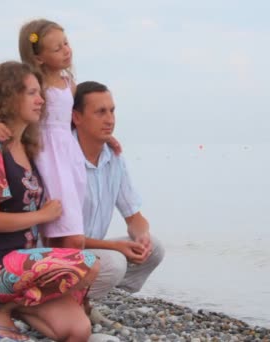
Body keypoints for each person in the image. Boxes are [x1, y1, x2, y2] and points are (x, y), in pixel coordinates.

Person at [0, 61, 100, 342]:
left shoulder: (27, 145)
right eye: (32, 93)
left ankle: (13, 308)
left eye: (41, 93)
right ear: (10, 97)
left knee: (79, 331)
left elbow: (65, 135)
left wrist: (109, 142)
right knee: (89, 263)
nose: (40, 100)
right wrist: (42, 215)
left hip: (21, 269)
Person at [0, 19, 120, 249]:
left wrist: (105, 136)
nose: (66, 50)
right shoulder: (35, 84)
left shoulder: (69, 84)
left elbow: (75, 120)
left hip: (69, 154)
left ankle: (55, 270)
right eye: (57, 48)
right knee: (65, 227)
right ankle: (61, 270)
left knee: (67, 222)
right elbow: (5, 108)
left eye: (66, 43)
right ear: (39, 57)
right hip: (46, 154)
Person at [71, 81, 165, 305]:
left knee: (154, 248)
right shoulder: (64, 158)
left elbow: (134, 217)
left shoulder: (114, 157)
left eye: (112, 111)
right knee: (114, 262)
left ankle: (90, 298)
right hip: (58, 251)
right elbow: (60, 239)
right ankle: (64, 302)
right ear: (77, 117)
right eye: (100, 112)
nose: (110, 119)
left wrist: (141, 236)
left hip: (91, 251)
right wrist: (115, 247)